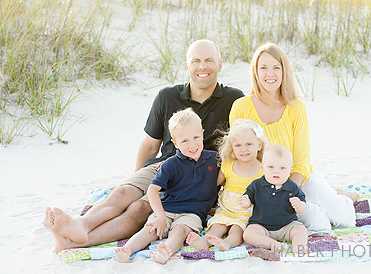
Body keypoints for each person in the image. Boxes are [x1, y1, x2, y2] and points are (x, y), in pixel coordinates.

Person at [43, 39, 244, 253]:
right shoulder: (168, 97)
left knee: (139, 209)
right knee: (123, 194)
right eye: (196, 61)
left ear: (220, 65)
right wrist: (133, 177)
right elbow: (150, 145)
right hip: (164, 165)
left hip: (199, 177)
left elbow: (242, 148)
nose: (202, 67)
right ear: (188, 66)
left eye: (209, 60)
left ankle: (74, 243)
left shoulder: (234, 100)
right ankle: (80, 225)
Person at [229, 42, 357, 231]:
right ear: (255, 72)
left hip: (297, 179)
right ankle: (328, 195)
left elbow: (302, 160)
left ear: (284, 71)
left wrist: (288, 190)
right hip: (264, 186)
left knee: (344, 218)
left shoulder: (296, 107)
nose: (269, 74)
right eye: (263, 68)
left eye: (276, 68)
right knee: (318, 224)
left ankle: (342, 197)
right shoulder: (241, 107)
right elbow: (238, 154)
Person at [115, 108, 219, 264]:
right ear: (175, 143)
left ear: (203, 134)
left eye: (196, 137)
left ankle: (165, 250)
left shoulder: (214, 159)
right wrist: (161, 215)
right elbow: (152, 190)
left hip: (192, 214)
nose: (192, 144)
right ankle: (127, 249)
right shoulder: (170, 164)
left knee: (180, 231)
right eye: (184, 141)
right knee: (150, 229)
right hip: (167, 208)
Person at [186, 119, 267, 251]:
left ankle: (227, 244)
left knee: (237, 230)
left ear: (259, 145)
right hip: (225, 210)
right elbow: (212, 185)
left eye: (249, 144)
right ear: (232, 148)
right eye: (238, 145)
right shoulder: (228, 165)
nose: (243, 149)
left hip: (246, 213)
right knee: (217, 227)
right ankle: (204, 242)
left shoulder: (263, 169)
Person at [239, 144, 308, 255]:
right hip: (261, 226)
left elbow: (303, 206)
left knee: (301, 230)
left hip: (287, 226)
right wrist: (246, 202)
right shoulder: (257, 185)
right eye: (271, 167)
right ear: (263, 169)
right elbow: (248, 198)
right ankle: (271, 243)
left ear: (290, 170)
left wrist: (299, 205)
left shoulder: (292, 187)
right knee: (248, 234)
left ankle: (299, 246)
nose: (276, 171)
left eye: (282, 168)